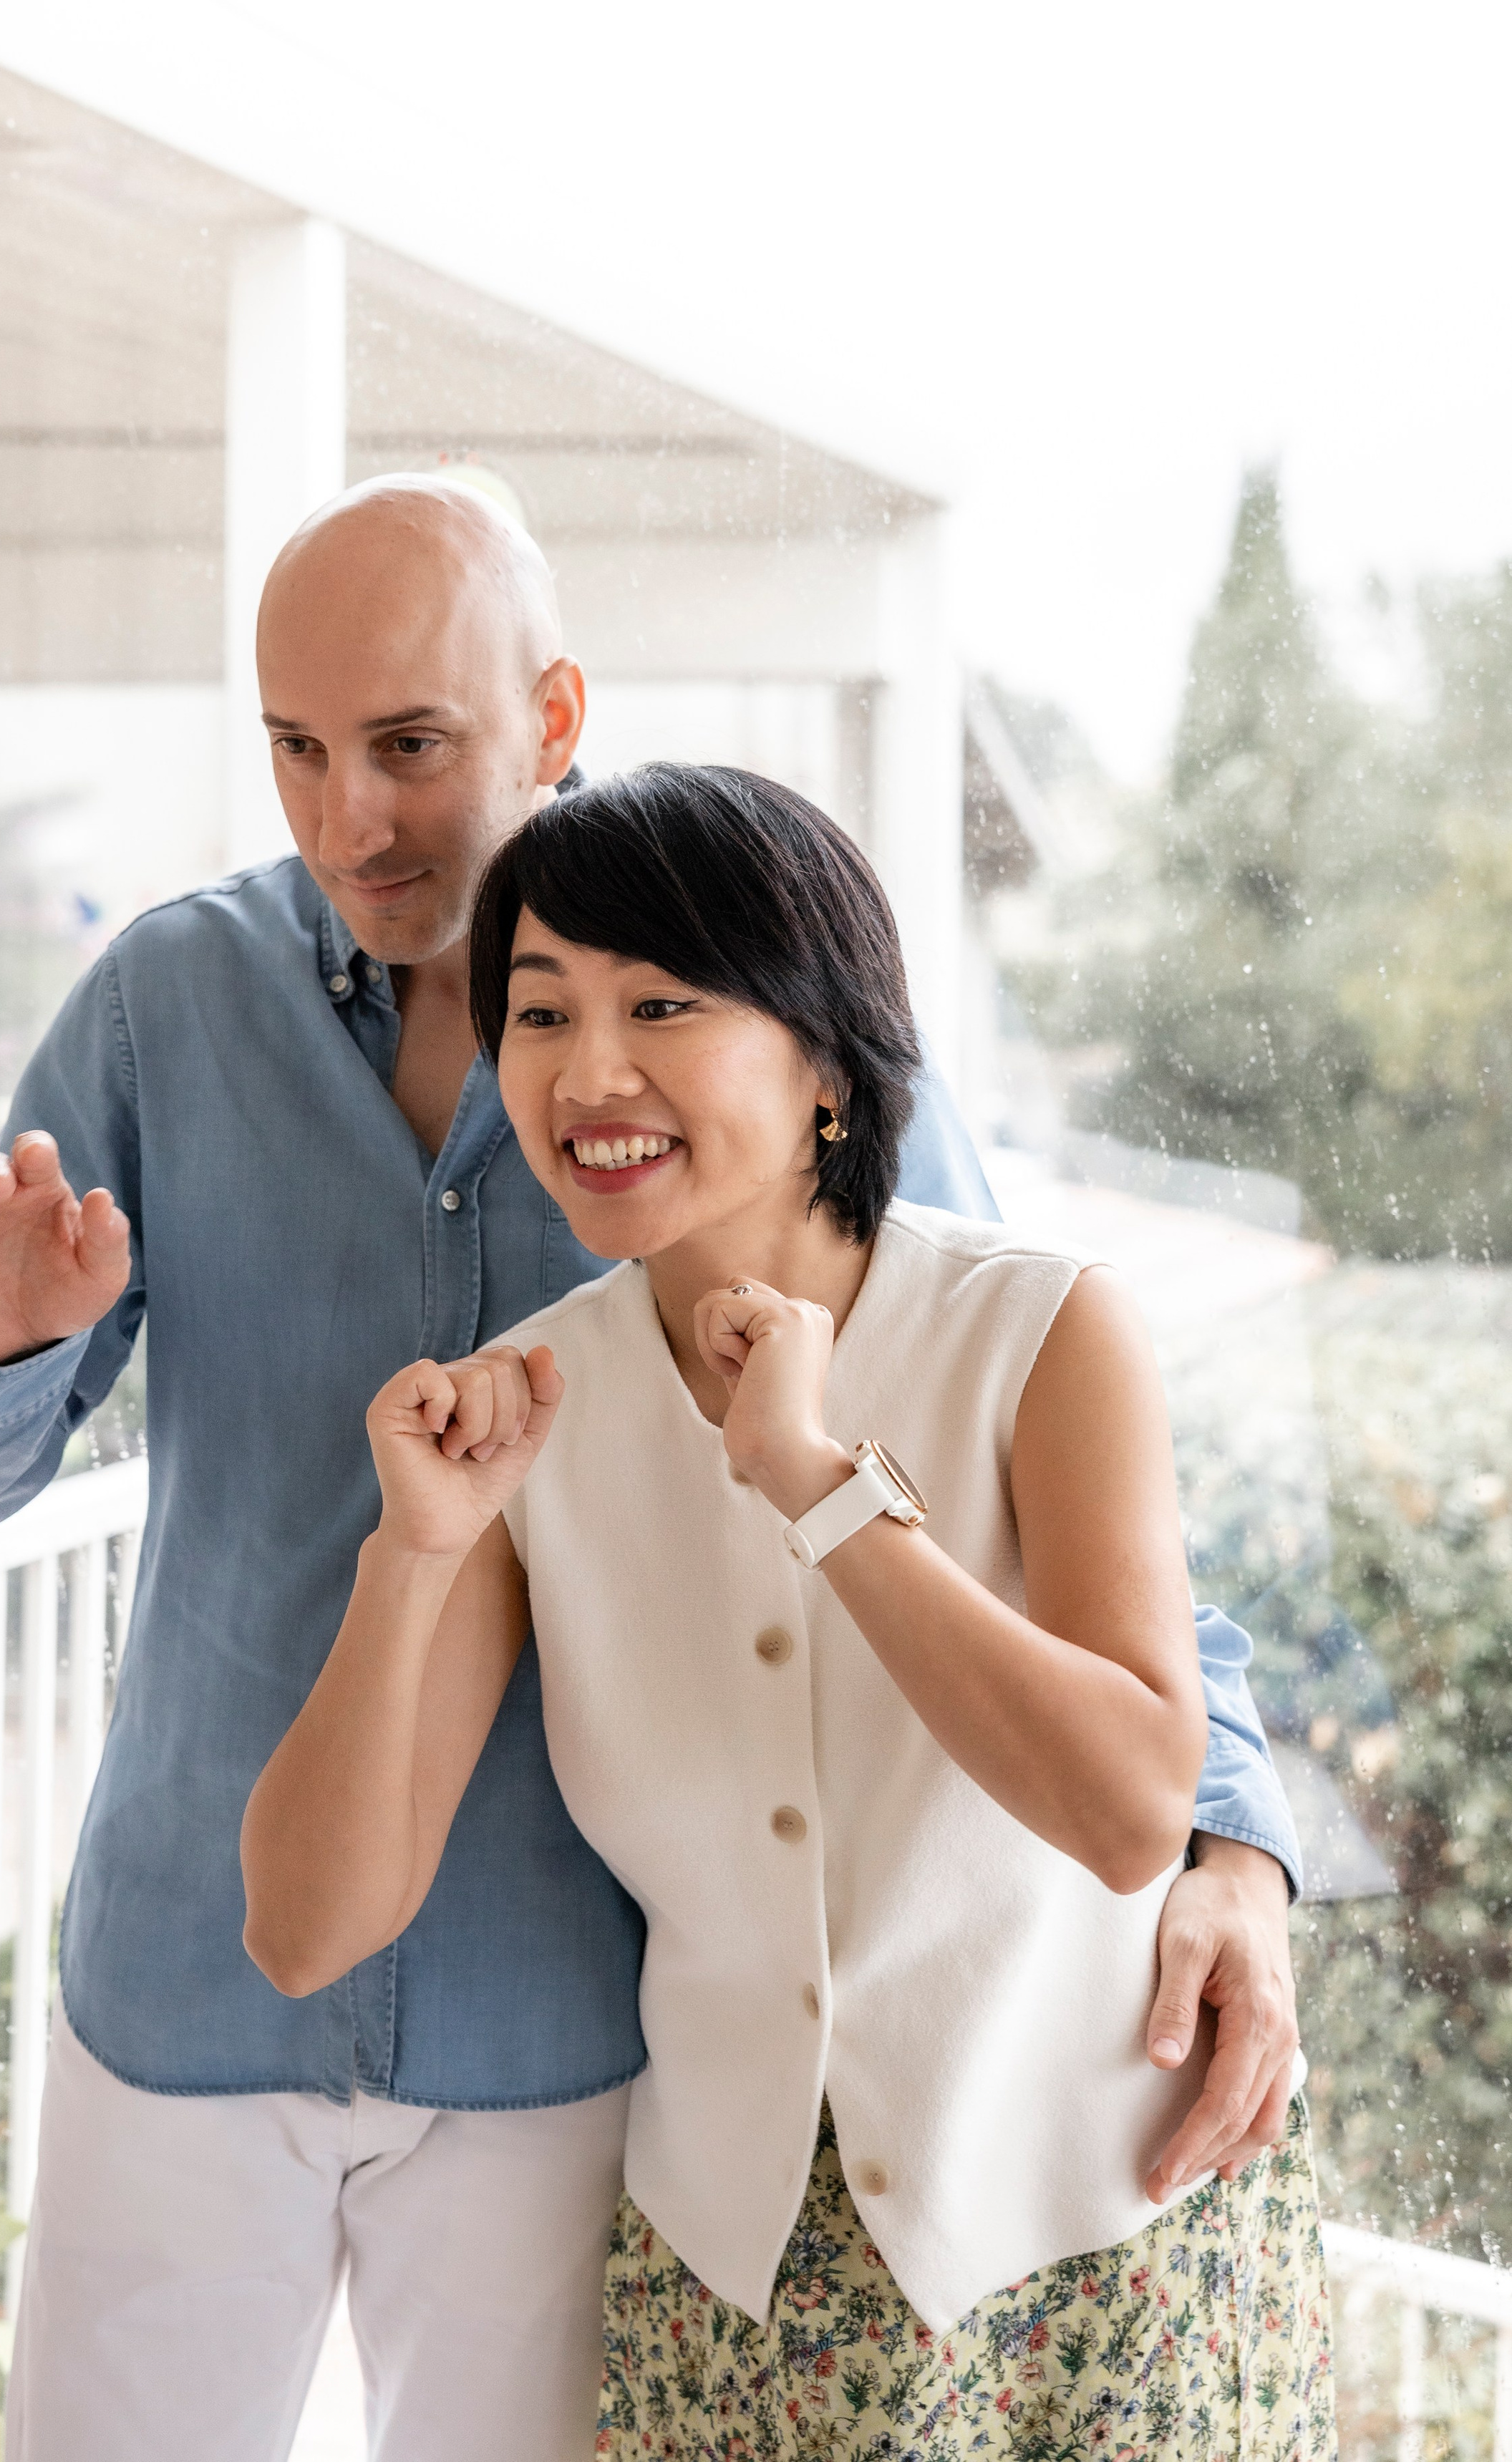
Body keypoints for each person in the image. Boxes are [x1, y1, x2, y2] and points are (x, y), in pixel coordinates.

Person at [0, 479, 1302, 2462]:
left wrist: (1233, 1847)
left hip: (578, 2021)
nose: (349, 819)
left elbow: (1013, 1413)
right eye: (296, 750)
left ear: (550, 716)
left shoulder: (764, 977)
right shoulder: (165, 1004)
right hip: (199, 1955)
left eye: (409, 746)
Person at [243, 761, 1332, 2462]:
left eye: (661, 1005)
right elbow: (307, 1930)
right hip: (739, 2296)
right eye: (540, 1011)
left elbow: (1129, 1812)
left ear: (826, 1061)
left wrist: (819, 1484)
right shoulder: (527, 1412)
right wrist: (413, 1558)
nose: (585, 1073)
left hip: (1098, 2250)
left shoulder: (1041, 1333)